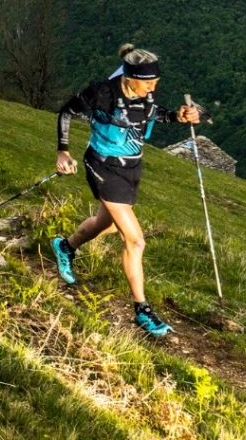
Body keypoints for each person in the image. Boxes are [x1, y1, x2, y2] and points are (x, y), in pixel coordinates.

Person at [50, 44, 201, 338]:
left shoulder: (146, 93)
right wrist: (62, 152)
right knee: (135, 240)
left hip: (132, 168)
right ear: (129, 77)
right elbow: (66, 111)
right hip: (103, 166)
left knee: (102, 223)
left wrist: (179, 116)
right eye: (148, 82)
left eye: (156, 82)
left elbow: (150, 115)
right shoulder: (103, 93)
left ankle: (65, 246)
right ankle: (142, 310)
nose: (153, 87)